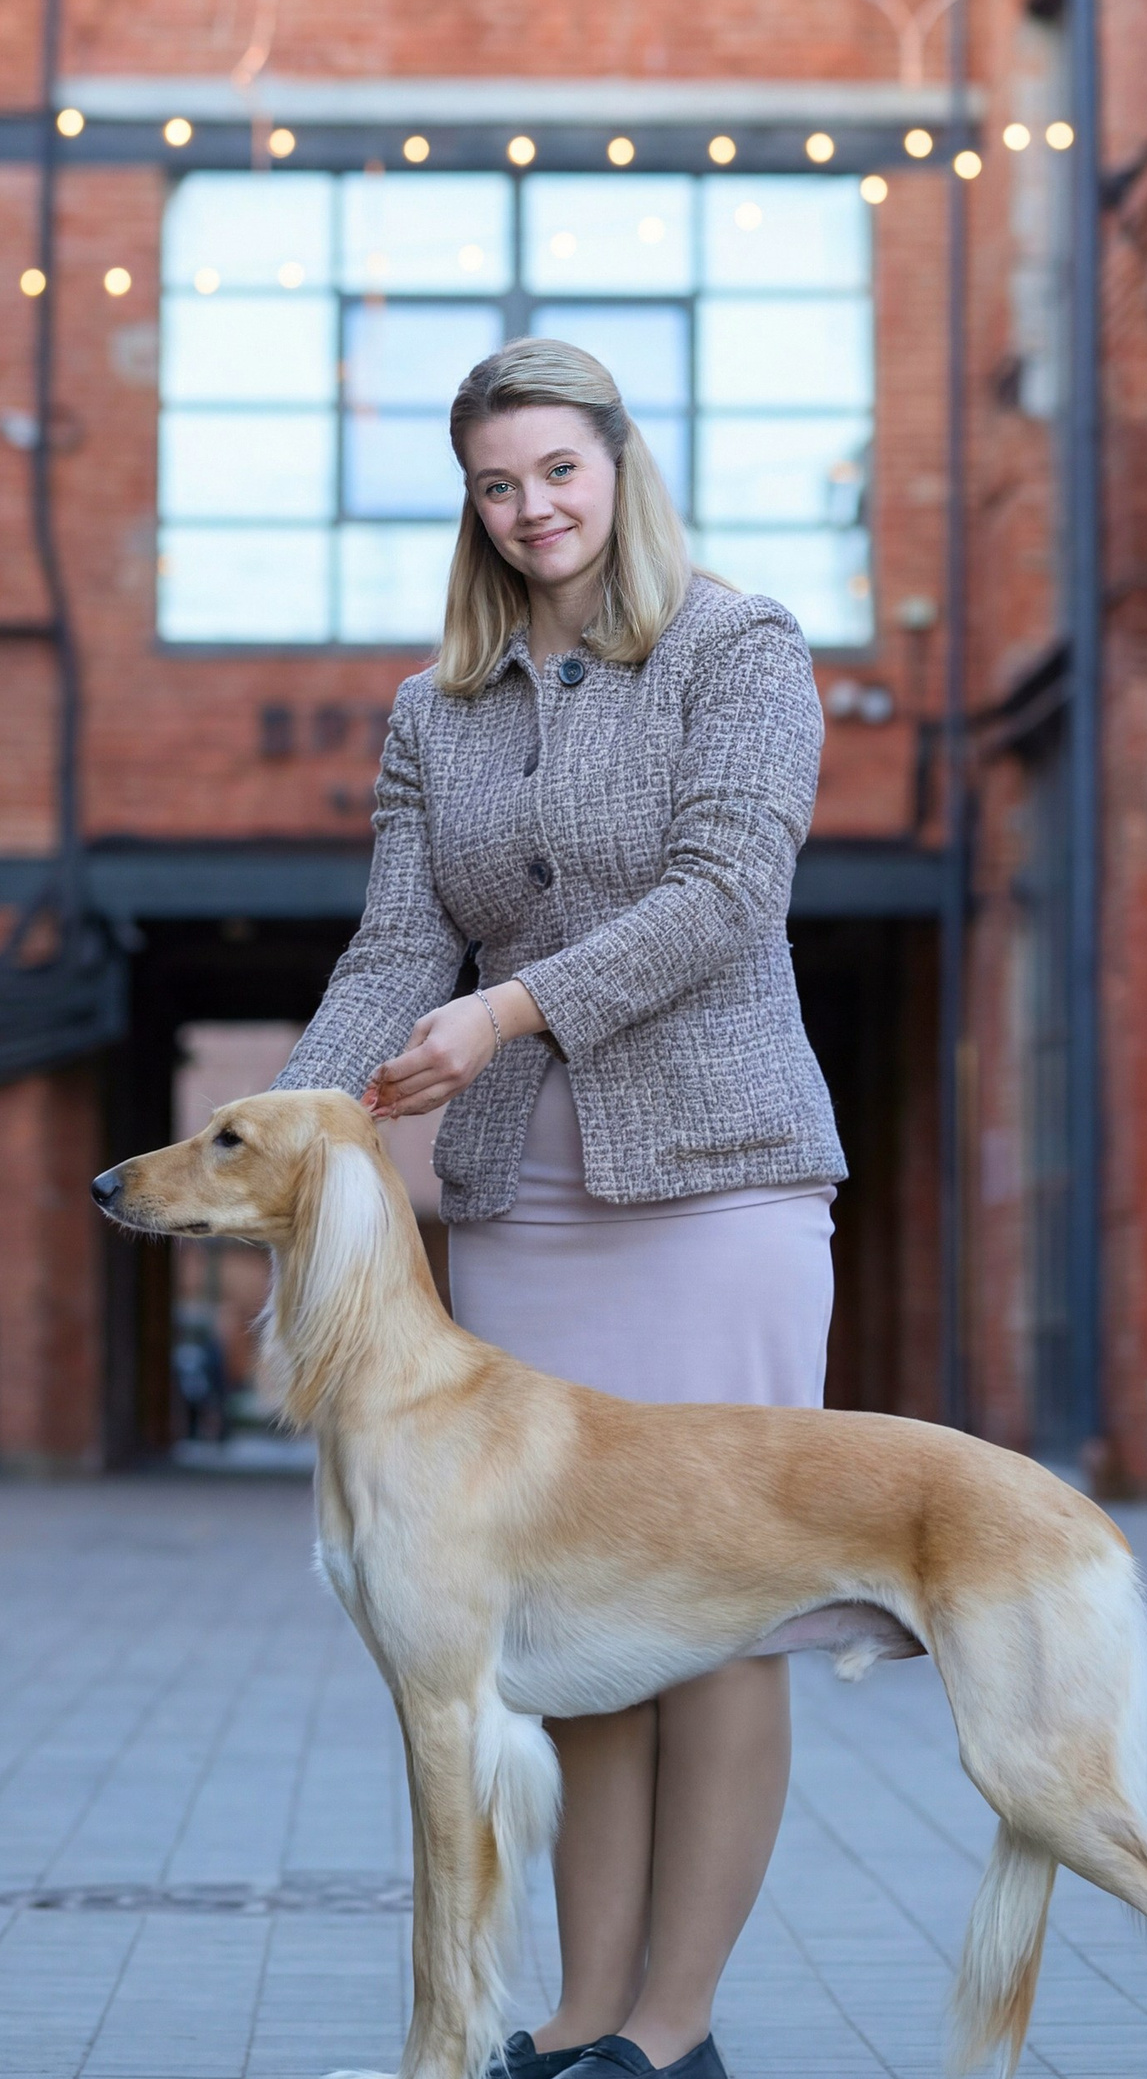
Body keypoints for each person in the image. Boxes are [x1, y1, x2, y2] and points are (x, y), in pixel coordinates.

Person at [274, 334, 846, 2079]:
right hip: (526, 1202)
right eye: (496, 485)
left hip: (720, 1187)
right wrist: (285, 1141)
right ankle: (584, 2014)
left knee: (726, 1615)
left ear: (621, 463)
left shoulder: (736, 647)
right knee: (575, 1635)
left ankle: (672, 2033)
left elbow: (730, 893)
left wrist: (512, 1009)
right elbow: (394, 948)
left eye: (559, 473)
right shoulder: (433, 709)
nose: (532, 510)